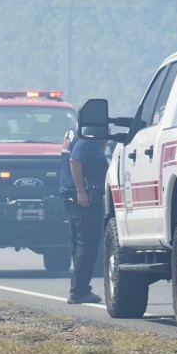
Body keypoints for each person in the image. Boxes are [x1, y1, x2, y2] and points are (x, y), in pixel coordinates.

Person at [59, 123, 108, 304]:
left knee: (79, 242)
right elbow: (75, 160)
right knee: (88, 242)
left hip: (70, 193)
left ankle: (78, 287)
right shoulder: (89, 133)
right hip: (83, 195)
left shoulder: (74, 129)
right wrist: (81, 191)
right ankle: (79, 290)